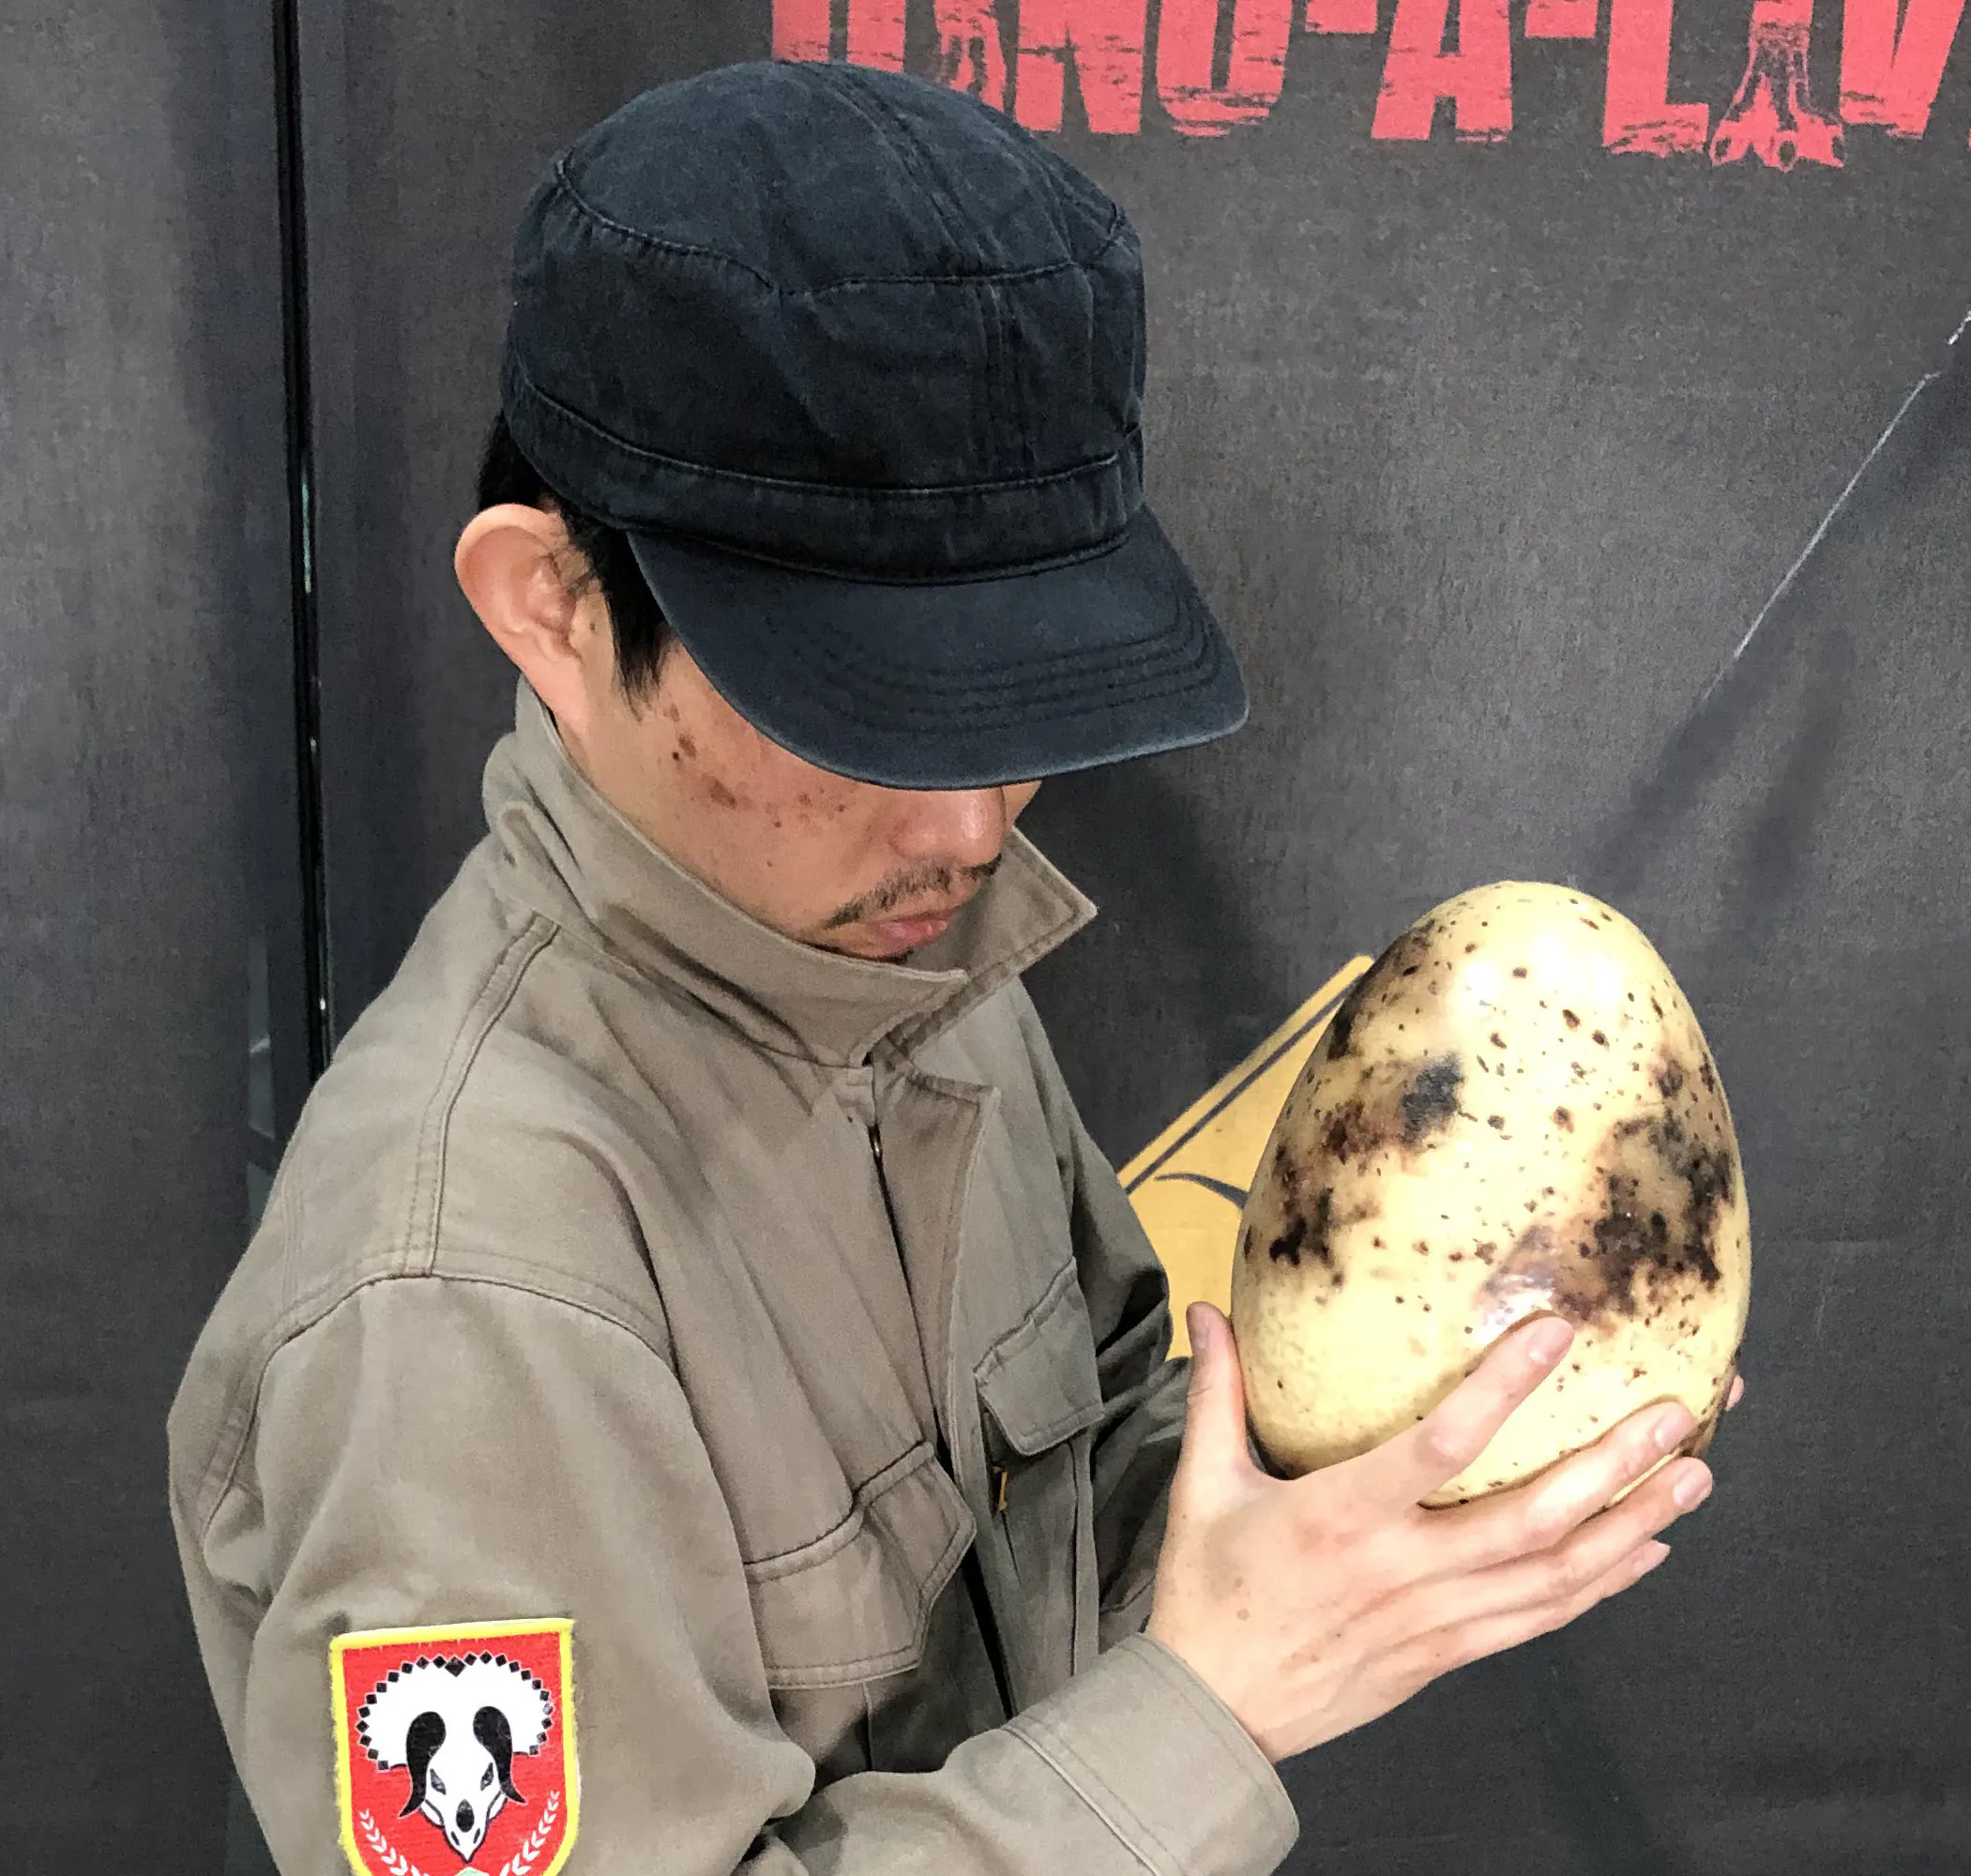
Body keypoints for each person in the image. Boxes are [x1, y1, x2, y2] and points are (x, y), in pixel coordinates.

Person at [167, 58, 1721, 1876]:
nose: (974, 827)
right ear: (554, 605)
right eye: (868, 713)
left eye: (1020, 705)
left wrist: (1378, 1478)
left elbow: (1095, 1459)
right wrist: (1213, 1709)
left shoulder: (895, 958)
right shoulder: (460, 1296)